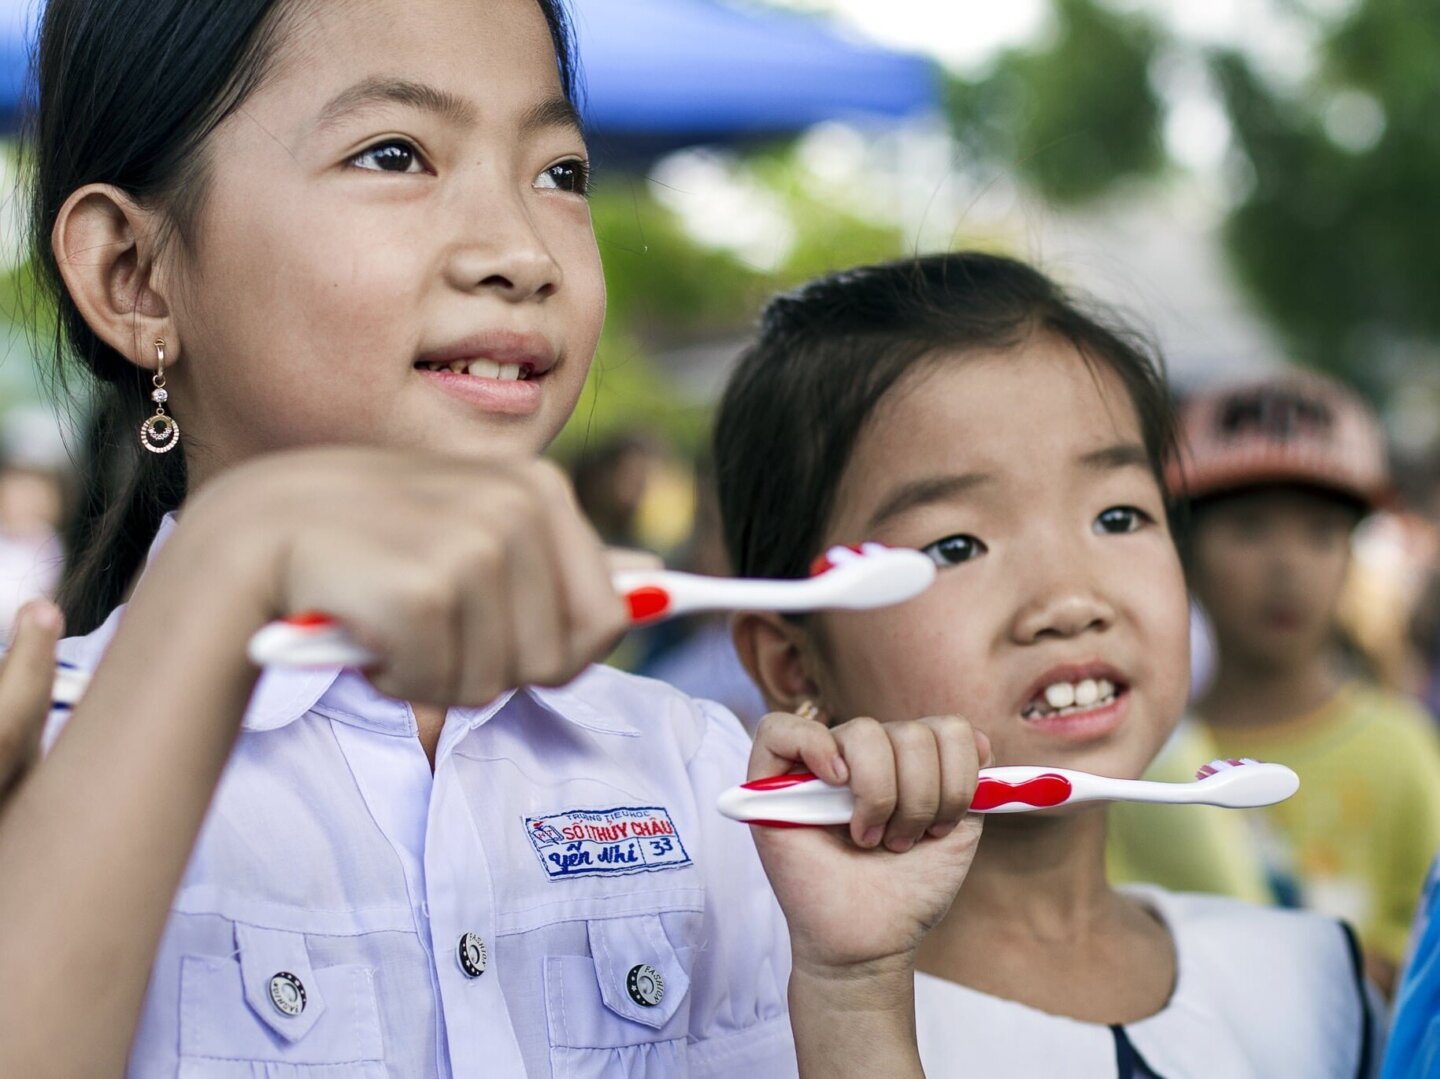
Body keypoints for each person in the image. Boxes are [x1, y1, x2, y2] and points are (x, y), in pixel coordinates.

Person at [0, 2, 986, 1076]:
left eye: (560, 172)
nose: (522, 251)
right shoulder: (39, 775)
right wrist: (234, 555)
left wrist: (851, 995)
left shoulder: (711, 780)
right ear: (132, 274)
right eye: (395, 154)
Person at [713, 252, 1380, 1077]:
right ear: (794, 660)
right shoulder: (751, 1025)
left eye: (1118, 515)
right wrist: (853, 1000)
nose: (1070, 598)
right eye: (957, 545)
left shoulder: (1316, 981)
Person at [1153, 373, 1440, 993]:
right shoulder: (1149, 760)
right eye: (1250, 527)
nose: (1287, 564)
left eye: (1320, 532)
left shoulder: (1404, 749)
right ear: (1185, 549)